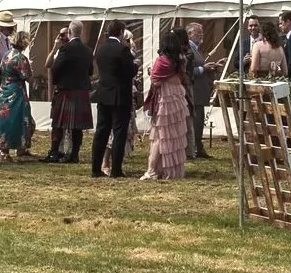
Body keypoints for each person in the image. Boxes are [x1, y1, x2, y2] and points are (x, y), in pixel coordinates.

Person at [90, 23, 138, 178]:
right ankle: (116, 169)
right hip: (119, 96)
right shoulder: (123, 50)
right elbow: (129, 71)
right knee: (119, 133)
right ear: (121, 32)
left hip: (104, 94)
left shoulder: (101, 49)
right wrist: (135, 65)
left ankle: (96, 168)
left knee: (101, 132)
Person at [142, 27, 190, 180]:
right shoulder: (180, 60)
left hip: (165, 99)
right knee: (173, 137)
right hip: (177, 98)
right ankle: (168, 170)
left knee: (159, 136)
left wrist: (151, 73)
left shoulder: (162, 60)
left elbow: (155, 80)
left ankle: (152, 170)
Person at [45, 21, 93, 165]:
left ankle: (54, 153)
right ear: (81, 33)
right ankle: (74, 155)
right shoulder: (88, 50)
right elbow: (90, 71)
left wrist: (58, 82)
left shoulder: (65, 48)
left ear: (70, 33)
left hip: (66, 90)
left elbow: (55, 68)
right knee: (77, 127)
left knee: (58, 124)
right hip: (82, 90)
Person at [0, 41, 34, 159]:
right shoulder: (21, 58)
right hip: (16, 92)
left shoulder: (6, 55)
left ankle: (4, 150)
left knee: (5, 120)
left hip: (4, 91)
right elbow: (28, 77)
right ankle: (21, 148)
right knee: (21, 118)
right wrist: (30, 67)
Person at [182, 21, 213, 159]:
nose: (201, 35)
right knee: (196, 121)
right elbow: (187, 70)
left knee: (199, 121)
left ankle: (198, 146)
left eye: (202, 32)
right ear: (189, 34)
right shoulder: (188, 49)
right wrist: (203, 69)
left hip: (200, 90)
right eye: (198, 32)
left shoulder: (196, 49)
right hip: (194, 90)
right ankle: (195, 148)